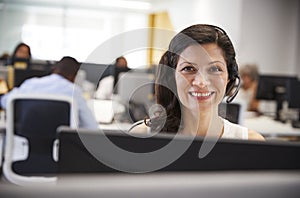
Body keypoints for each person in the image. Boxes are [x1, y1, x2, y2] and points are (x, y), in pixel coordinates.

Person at [130, 24, 264, 141]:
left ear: (230, 77)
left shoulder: (250, 143)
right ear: (172, 77)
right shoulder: (142, 137)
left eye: (214, 69)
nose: (201, 82)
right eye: (188, 69)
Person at [0, 56, 98, 129]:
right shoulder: (74, 92)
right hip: (59, 150)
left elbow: (5, 101)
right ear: (74, 76)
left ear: (54, 70)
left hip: (24, 148)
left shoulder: (30, 84)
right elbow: (91, 127)